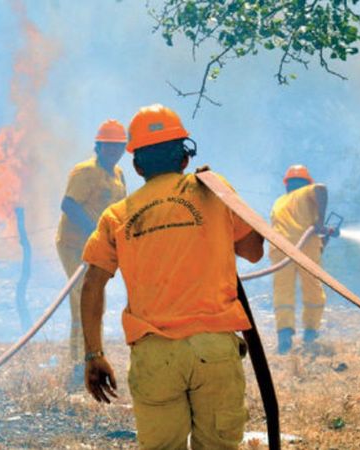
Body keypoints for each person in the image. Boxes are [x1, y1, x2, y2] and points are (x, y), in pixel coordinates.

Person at [80, 104, 264, 449]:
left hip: (155, 355)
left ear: (136, 166)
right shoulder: (213, 189)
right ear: (184, 158)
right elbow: (254, 251)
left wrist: (93, 355)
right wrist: (225, 196)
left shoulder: (117, 215)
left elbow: (92, 284)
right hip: (214, 349)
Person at [56, 119, 127, 387]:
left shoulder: (118, 174)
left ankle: (86, 356)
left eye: (118, 146)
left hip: (98, 244)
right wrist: (94, 232)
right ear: (98, 147)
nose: (113, 151)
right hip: (75, 244)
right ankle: (78, 363)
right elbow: (69, 205)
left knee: (96, 299)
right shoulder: (85, 172)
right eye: (108, 146)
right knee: (81, 299)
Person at [269, 165, 330, 354]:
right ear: (306, 182)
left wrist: (322, 236)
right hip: (305, 248)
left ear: (287, 184)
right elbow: (321, 189)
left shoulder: (278, 202)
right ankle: (310, 333)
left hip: (280, 248)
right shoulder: (307, 191)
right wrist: (320, 222)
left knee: (283, 291)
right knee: (312, 287)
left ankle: (284, 335)